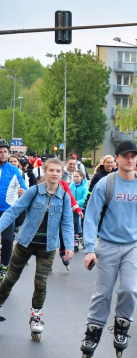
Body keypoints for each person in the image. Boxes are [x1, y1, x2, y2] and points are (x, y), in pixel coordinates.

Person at [80, 141, 137, 358]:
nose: (130, 160)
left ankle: (122, 325)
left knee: (130, 290)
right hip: (108, 245)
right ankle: (93, 332)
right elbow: (92, 216)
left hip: (133, 246)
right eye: (125, 156)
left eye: (134, 156)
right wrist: (90, 249)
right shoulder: (106, 184)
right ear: (117, 158)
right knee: (103, 292)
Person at [0, 157, 74, 336]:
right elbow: (14, 211)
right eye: (51, 170)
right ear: (45, 172)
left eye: (58, 171)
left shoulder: (63, 196)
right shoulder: (33, 191)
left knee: (41, 284)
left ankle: (36, 316)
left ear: (61, 174)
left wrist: (69, 246)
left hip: (48, 247)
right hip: (26, 242)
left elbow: (67, 223)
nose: (55, 174)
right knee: (10, 279)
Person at [0, 140, 28, 280]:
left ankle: (4, 266)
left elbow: (25, 190)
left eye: (5, 151)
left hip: (8, 211)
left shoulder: (14, 170)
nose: (3, 154)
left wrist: (24, 192)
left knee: (7, 240)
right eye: (0, 152)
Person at [69, 170, 88, 251]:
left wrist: (75, 203)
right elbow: (69, 195)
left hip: (82, 208)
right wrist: (73, 204)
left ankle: (83, 239)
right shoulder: (72, 185)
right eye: (74, 176)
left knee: (83, 224)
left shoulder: (84, 187)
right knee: (75, 223)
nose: (75, 178)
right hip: (74, 209)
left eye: (77, 176)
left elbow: (84, 199)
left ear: (82, 177)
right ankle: (75, 240)